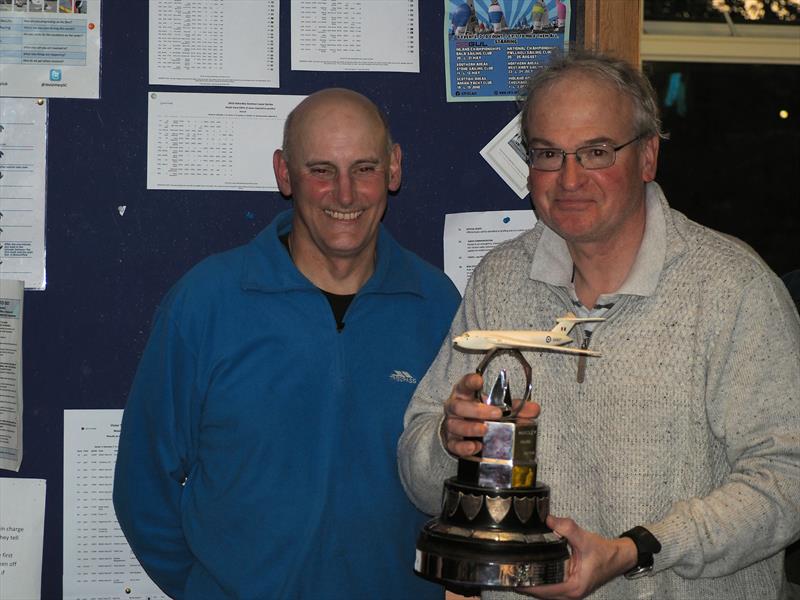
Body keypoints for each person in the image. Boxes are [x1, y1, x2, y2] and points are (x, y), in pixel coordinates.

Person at [398, 51, 800, 600]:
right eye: (547, 153)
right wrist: (450, 441)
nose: (569, 179)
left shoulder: (733, 289)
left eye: (596, 151)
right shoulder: (498, 280)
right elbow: (418, 473)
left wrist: (638, 549)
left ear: (648, 156)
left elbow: (789, 479)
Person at [113, 88, 461, 599]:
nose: (345, 195)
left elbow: (462, 479)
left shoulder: (437, 305)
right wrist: (203, 589)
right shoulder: (207, 303)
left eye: (364, 168)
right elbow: (144, 486)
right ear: (284, 173)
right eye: (321, 170)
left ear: (394, 168)